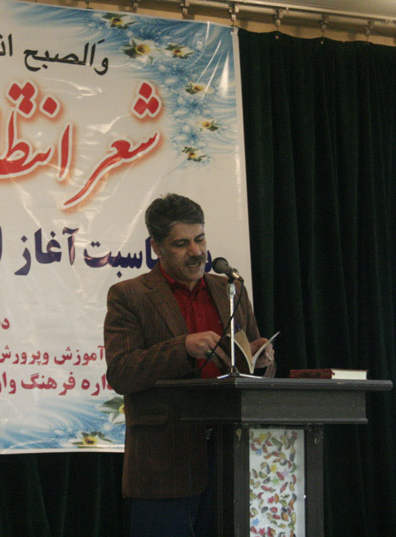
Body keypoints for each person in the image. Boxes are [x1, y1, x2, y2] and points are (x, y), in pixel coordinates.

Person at [103, 193, 275, 537]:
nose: (196, 251)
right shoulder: (130, 295)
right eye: (181, 244)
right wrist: (181, 348)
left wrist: (262, 358)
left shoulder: (231, 289)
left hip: (231, 455)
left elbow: (250, 363)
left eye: (200, 239)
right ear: (157, 247)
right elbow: (121, 372)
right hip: (164, 464)